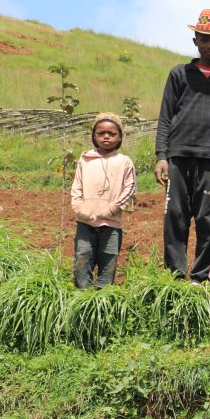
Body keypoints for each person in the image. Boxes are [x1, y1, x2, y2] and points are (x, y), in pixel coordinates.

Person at [156, 8, 210, 281]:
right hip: (179, 155)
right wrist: (162, 156)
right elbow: (165, 116)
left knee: (209, 220)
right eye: (204, 38)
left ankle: (200, 276)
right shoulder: (179, 74)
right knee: (175, 217)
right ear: (195, 40)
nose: (209, 44)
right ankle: (175, 276)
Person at [71, 113, 137, 289]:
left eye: (112, 133)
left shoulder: (124, 162)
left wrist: (112, 209)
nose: (106, 137)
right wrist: (79, 208)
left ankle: (103, 293)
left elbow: (129, 188)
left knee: (108, 257)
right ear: (94, 136)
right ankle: (83, 292)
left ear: (120, 137)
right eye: (101, 133)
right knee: (83, 254)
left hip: (111, 222)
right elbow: (77, 185)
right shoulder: (85, 159)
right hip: (85, 221)